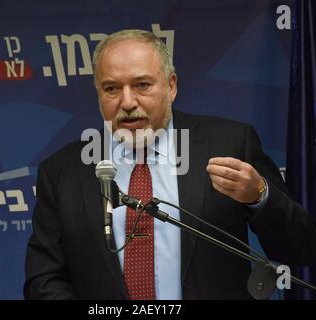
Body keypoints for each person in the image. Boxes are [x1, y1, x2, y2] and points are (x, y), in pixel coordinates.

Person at [24, 29, 316, 299]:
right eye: (112, 88)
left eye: (142, 85)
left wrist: (260, 196)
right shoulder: (62, 171)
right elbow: (43, 279)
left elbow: (300, 248)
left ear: (171, 86)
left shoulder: (230, 144)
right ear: (99, 94)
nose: (127, 102)